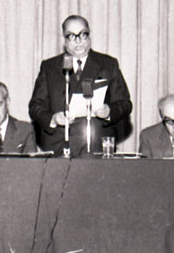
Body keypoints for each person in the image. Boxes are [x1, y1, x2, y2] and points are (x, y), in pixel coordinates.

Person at [29, 15, 132, 156]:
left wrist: (109, 112)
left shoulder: (108, 64)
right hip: (59, 147)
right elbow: (35, 106)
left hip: (95, 146)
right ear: (64, 39)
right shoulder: (49, 67)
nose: (78, 41)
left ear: (89, 35)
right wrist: (53, 119)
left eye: (83, 35)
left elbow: (125, 104)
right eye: (71, 36)